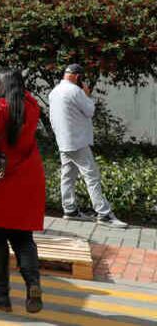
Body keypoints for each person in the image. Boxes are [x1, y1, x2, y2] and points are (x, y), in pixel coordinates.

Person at [0, 69, 45, 313]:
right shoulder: (30, 108)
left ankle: (1, 296)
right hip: (27, 179)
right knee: (24, 238)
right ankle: (33, 284)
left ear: (0, 85)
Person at [48, 64, 128, 228]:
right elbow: (90, 110)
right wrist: (86, 94)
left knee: (68, 175)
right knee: (92, 176)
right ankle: (104, 214)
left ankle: (69, 210)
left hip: (63, 141)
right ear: (78, 77)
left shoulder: (54, 92)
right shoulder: (75, 91)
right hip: (77, 142)